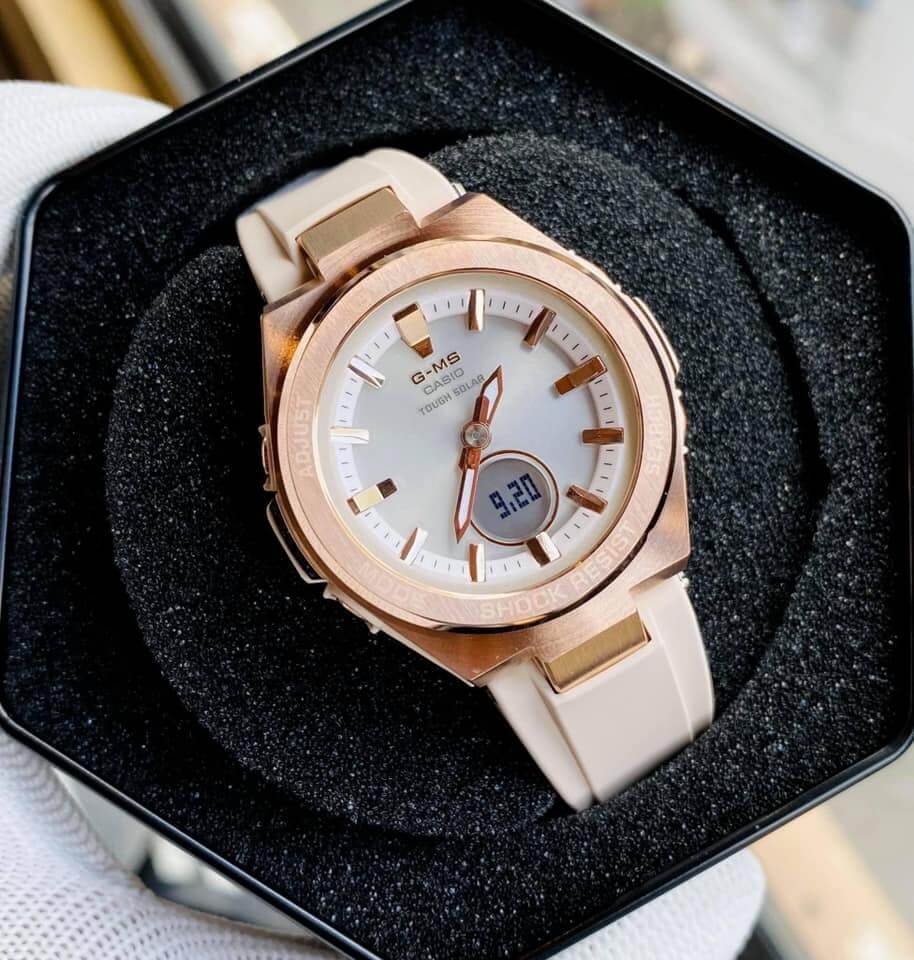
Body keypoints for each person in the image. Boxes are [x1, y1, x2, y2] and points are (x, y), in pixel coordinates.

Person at [0, 81, 765, 960]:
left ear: (647, 341)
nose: (476, 440)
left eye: (479, 429)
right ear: (303, 533)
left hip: (595, 562)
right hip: (485, 596)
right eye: (473, 437)